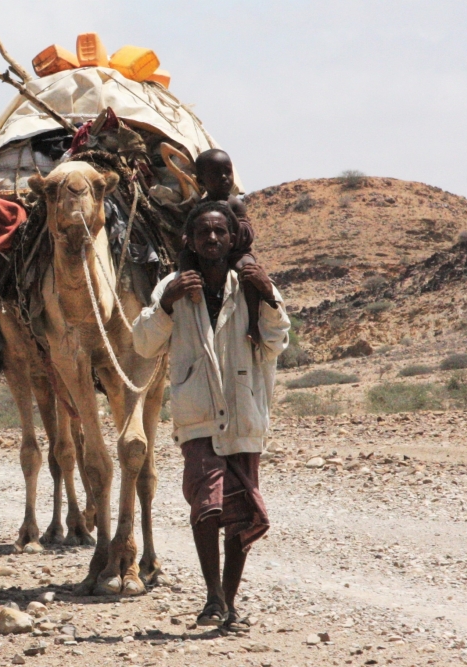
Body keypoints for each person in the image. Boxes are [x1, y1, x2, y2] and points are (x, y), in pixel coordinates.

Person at [133, 200, 290, 630]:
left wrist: (270, 293)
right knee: (206, 508)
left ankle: (230, 603)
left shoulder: (252, 284)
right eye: (204, 233)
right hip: (198, 414)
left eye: (220, 231)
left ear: (231, 236)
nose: (213, 239)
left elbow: (278, 342)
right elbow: (144, 344)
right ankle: (213, 598)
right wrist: (167, 303)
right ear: (190, 240)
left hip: (243, 415)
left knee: (240, 514)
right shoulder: (174, 285)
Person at [178, 149, 262, 346]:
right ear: (201, 181)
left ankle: (254, 322)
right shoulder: (200, 206)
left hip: (236, 252)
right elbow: (189, 230)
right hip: (208, 254)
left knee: (249, 271)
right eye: (216, 174)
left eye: (228, 171)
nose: (224, 178)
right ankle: (193, 289)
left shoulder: (235, 204)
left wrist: (227, 213)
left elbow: (245, 233)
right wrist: (186, 239)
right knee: (185, 258)